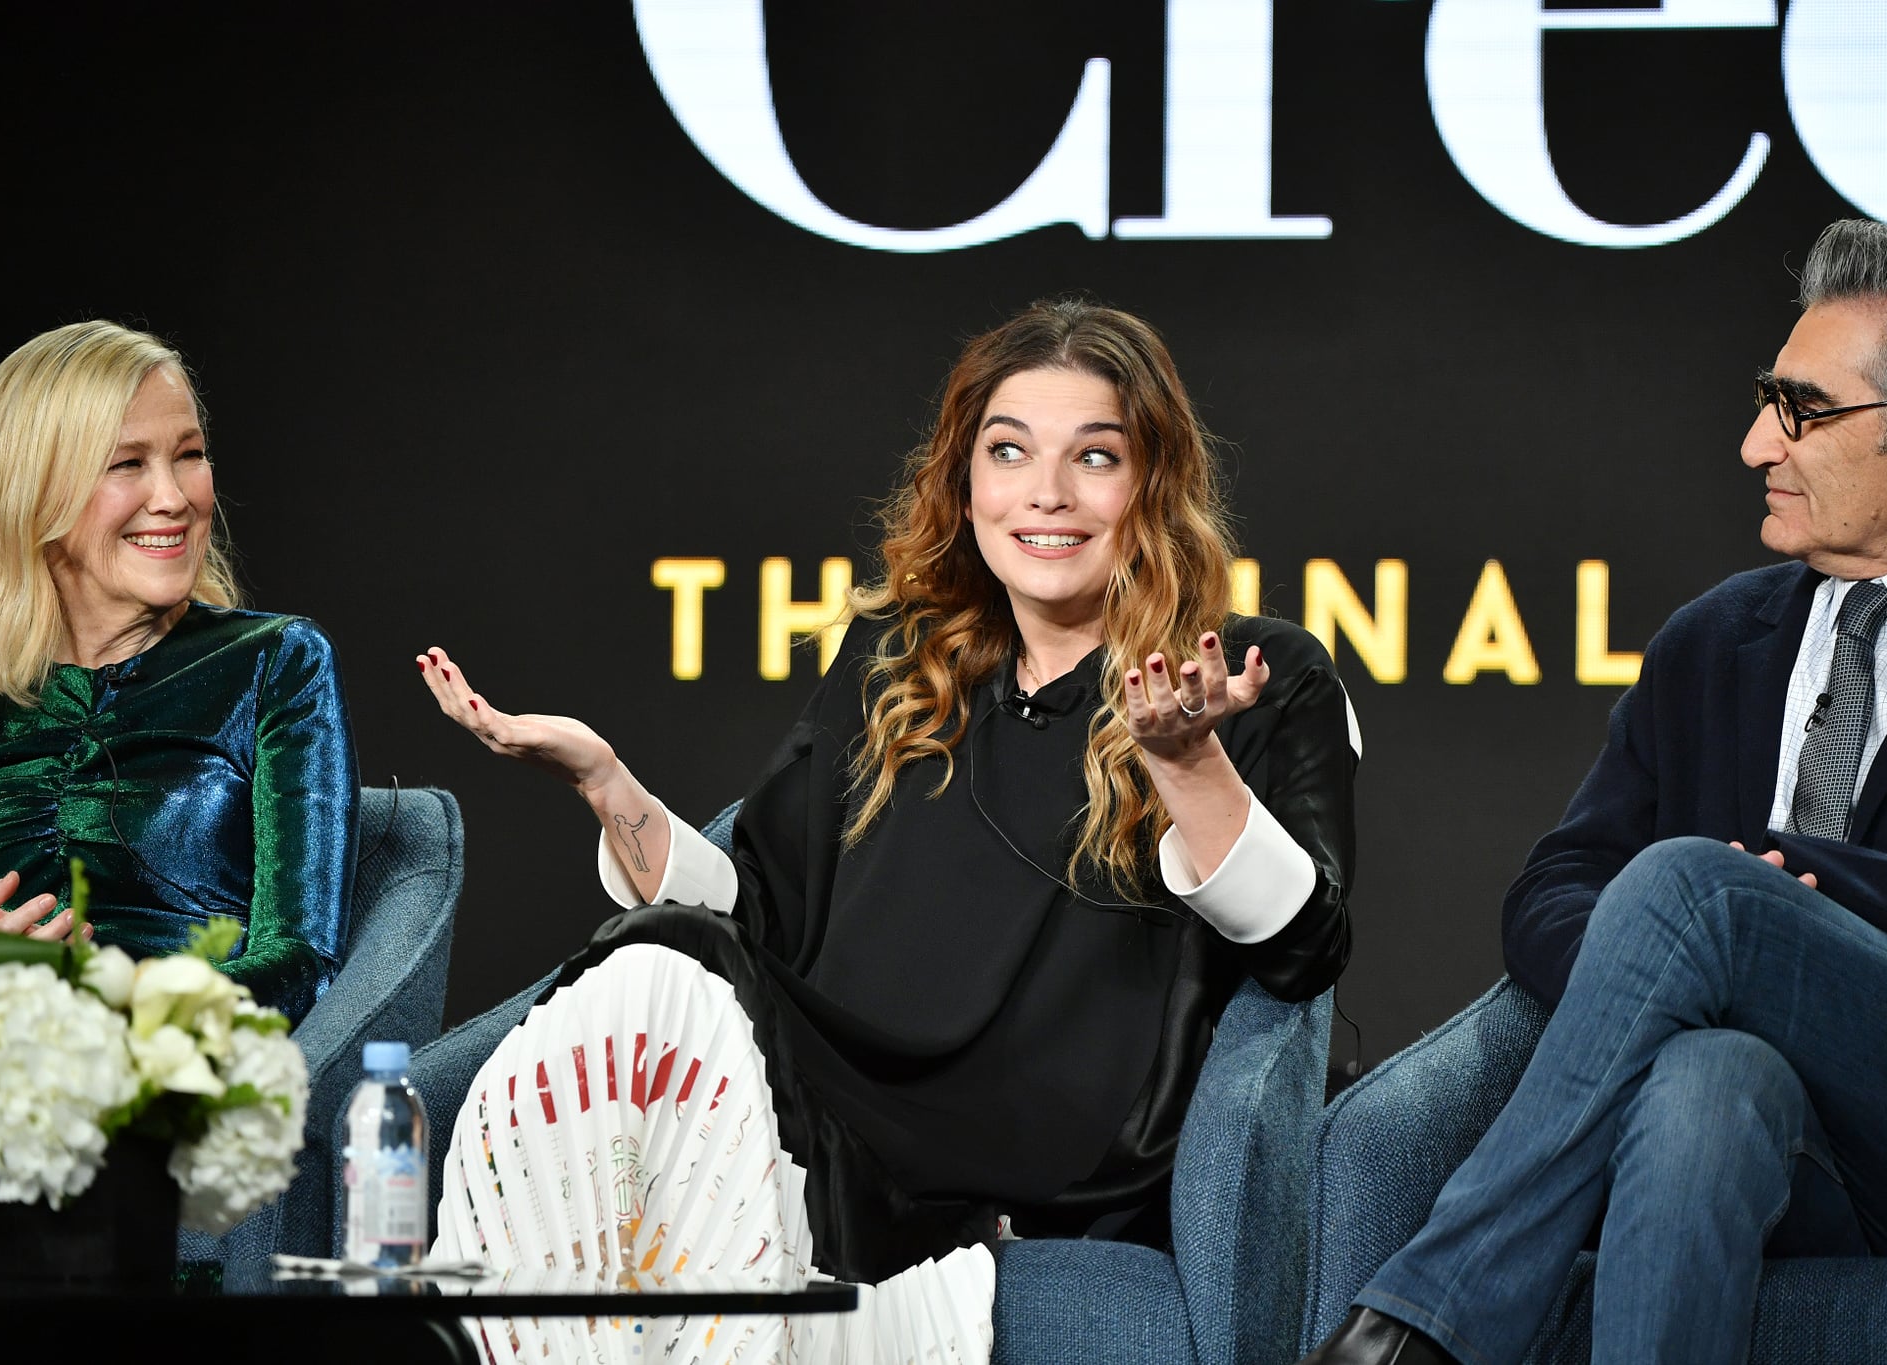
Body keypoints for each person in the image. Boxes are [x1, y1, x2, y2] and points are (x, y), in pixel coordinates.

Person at [418, 299, 1358, 1359]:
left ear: (1154, 484)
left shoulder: (1246, 675)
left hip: (1047, 1152)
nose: (1045, 492)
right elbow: (755, 910)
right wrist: (608, 786)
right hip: (831, 1113)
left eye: (1094, 457)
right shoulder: (895, 657)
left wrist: (1187, 766)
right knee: (649, 969)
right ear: (965, 482)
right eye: (1008, 453)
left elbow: (1303, 949)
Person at [1303, 220, 1887, 1365]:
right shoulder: (1713, 641)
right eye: (1764, 403)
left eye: (1799, 410)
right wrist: (1679, 966)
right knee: (1705, 1074)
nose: (1755, 443)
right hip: (1762, 1143)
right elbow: (1556, 885)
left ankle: (1421, 1319)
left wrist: (1796, 898)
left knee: (1700, 886)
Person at [0, 321, 358, 1025]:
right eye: (127, 463)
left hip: (179, 1086)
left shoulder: (275, 662)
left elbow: (305, 962)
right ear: (35, 493)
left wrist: (120, 1010)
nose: (174, 496)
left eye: (189, 455)